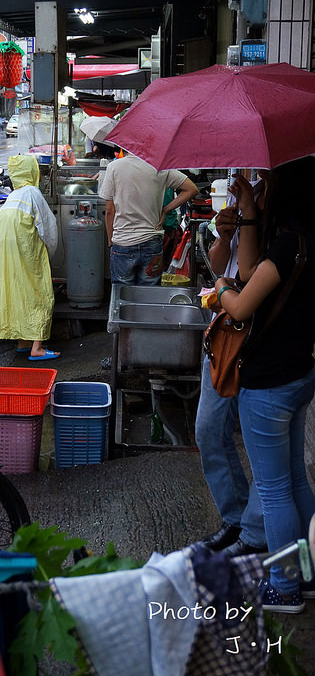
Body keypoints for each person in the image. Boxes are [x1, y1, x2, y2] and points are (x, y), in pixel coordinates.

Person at [211, 158, 315, 613]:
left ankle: (284, 585)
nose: (263, 186)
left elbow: (240, 305)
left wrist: (219, 289)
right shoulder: (303, 240)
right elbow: (251, 265)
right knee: (294, 481)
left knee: (274, 491)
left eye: (269, 183)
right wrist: (249, 209)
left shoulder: (288, 246)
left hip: (269, 383)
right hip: (298, 373)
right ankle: (307, 576)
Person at [195, 173, 268, 557]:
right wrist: (225, 235)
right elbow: (222, 264)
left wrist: (251, 216)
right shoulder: (251, 192)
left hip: (260, 337)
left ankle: (255, 532)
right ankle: (238, 519)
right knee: (209, 431)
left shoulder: (283, 204)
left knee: (264, 449)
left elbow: (246, 275)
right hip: (227, 334)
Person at [0, 154, 60, 361]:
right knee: (38, 290)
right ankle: (37, 347)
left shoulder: (14, 194)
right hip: (24, 246)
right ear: (33, 172)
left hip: (3, 245)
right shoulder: (33, 192)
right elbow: (47, 228)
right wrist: (48, 255)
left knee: (15, 290)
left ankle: (23, 342)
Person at [98, 153, 198, 285]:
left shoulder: (114, 167)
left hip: (123, 243)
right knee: (149, 296)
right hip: (152, 244)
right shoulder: (160, 168)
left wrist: (111, 240)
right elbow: (192, 189)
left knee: (122, 297)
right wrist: (166, 210)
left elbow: (110, 211)